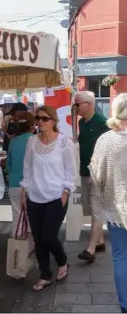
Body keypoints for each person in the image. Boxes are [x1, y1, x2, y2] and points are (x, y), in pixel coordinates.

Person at [20, 105, 76, 291]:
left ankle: (63, 260)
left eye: (44, 118)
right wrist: (24, 189)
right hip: (35, 196)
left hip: (56, 196)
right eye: (38, 118)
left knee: (48, 236)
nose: (40, 122)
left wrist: (66, 192)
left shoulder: (63, 142)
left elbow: (70, 170)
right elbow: (27, 168)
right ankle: (44, 275)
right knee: (38, 238)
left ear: (53, 121)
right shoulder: (32, 141)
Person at [89, 93, 127, 313]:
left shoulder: (105, 140)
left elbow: (96, 174)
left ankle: (125, 305)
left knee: (121, 257)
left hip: (116, 209)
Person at [73, 91, 110, 263]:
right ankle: (100, 241)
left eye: (78, 104)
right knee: (89, 209)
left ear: (89, 104)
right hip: (85, 172)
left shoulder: (103, 123)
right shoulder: (81, 122)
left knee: (96, 210)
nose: (76, 107)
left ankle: (91, 248)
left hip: (98, 174)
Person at [7, 112, 35, 237]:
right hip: (33, 184)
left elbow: (9, 165)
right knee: (32, 217)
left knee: (17, 215)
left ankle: (17, 250)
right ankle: (32, 247)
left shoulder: (13, 142)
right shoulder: (37, 141)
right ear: (33, 125)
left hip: (14, 183)